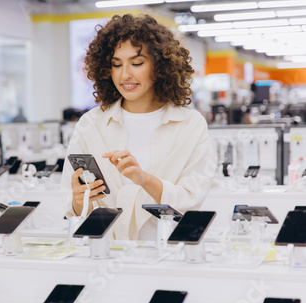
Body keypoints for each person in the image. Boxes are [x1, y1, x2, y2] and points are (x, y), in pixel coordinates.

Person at [61, 14, 216, 240]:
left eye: (137, 63)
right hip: (106, 254)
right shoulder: (91, 124)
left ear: (160, 65)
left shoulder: (189, 125)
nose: (125, 74)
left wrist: (144, 179)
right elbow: (72, 208)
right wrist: (77, 200)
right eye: (116, 64)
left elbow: (191, 199)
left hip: (166, 256)